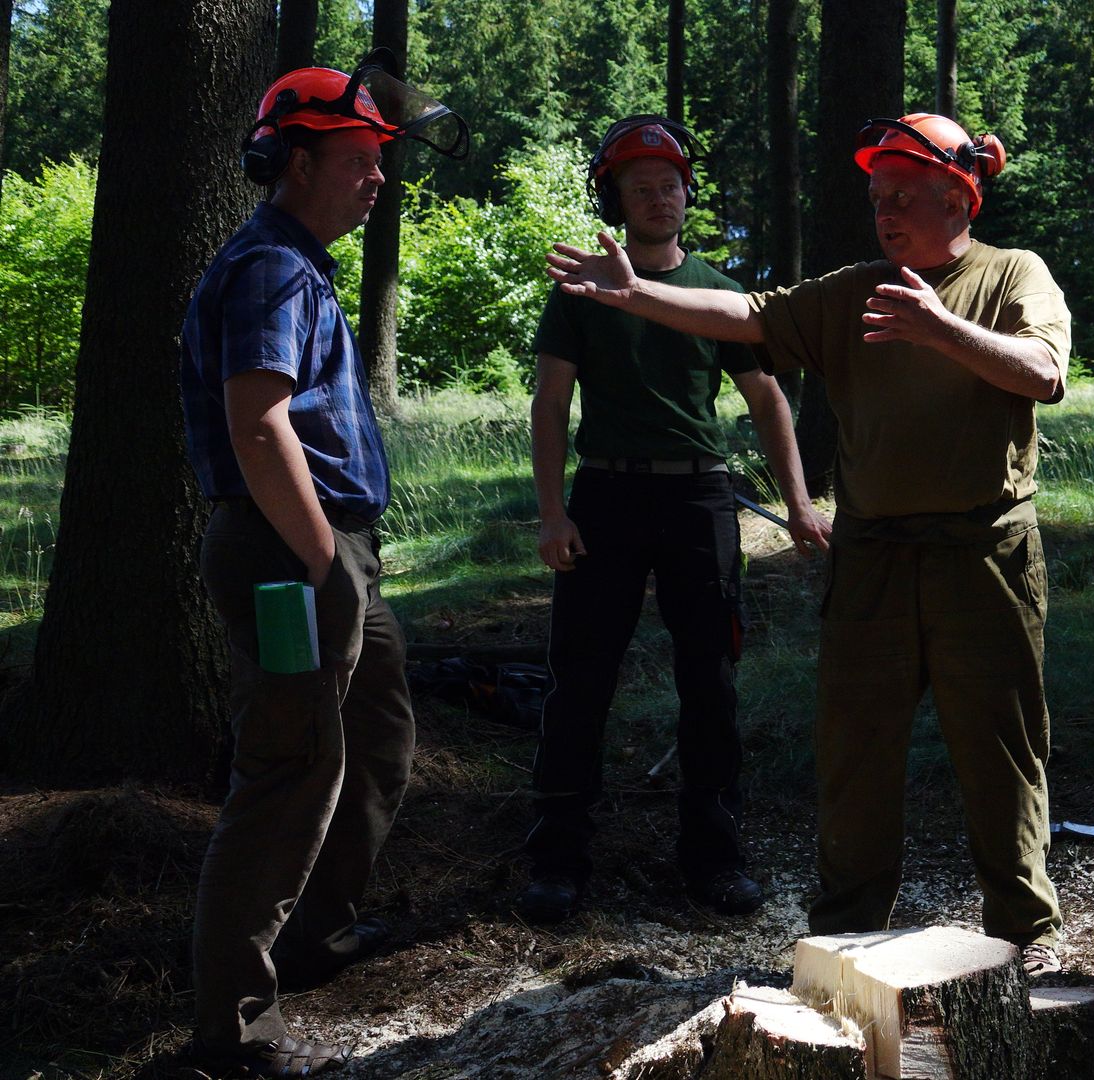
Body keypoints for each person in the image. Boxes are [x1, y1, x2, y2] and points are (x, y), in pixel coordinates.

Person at [544, 113, 1071, 976]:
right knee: (855, 748)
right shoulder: (852, 288)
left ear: (958, 194)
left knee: (1000, 745)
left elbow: (1044, 372)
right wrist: (636, 293)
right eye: (875, 197)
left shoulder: (1014, 274)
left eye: (903, 195)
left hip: (985, 553)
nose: (885, 211)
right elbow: (745, 314)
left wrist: (941, 327)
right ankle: (847, 936)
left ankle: (1025, 934)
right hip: (870, 556)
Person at [180, 56, 464, 1075]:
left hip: (325, 547)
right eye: (361, 158)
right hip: (289, 547)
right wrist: (322, 563)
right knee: (288, 773)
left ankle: (315, 938)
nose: (379, 178)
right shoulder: (270, 269)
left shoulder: (296, 265)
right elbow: (259, 426)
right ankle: (236, 1033)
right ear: (299, 163)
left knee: (378, 730)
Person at [518, 115, 832, 924]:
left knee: (710, 681)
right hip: (606, 500)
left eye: (670, 185)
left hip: (700, 501)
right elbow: (550, 405)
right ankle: (557, 857)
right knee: (580, 677)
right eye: (640, 187)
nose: (659, 199)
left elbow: (767, 400)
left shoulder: (722, 294)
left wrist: (797, 503)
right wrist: (552, 514)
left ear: (688, 193)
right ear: (615, 199)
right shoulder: (580, 290)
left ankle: (715, 857)